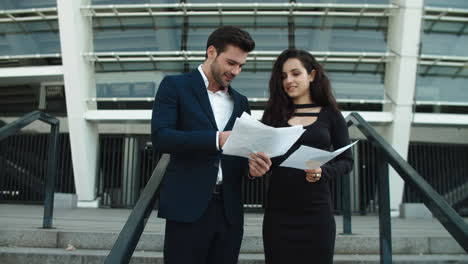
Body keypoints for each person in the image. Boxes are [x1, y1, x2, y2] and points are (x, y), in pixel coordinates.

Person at [151, 26, 269, 264]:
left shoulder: (241, 102)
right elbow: (162, 137)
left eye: (241, 66)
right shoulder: (174, 86)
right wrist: (216, 139)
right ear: (212, 52)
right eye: (231, 63)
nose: (236, 71)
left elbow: (240, 153)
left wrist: (252, 168)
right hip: (187, 208)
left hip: (229, 212)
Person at [257, 49, 354, 263]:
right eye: (283, 76)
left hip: (316, 212)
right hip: (279, 213)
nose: (289, 80)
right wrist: (257, 164)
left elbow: (347, 161)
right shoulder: (273, 114)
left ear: (311, 75)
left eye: (295, 73)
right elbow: (265, 160)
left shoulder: (331, 114)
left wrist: (323, 172)